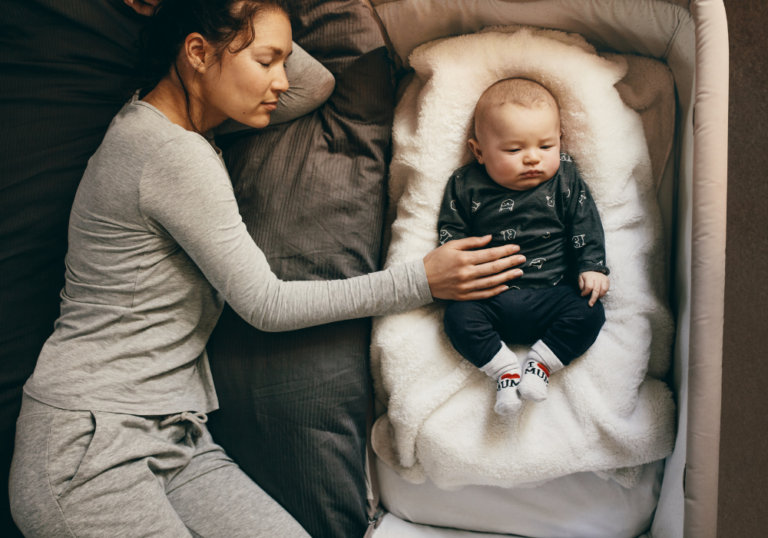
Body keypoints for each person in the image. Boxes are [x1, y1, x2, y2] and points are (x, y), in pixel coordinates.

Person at [8, 1, 526, 536]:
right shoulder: (168, 153)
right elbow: (266, 304)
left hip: (174, 437)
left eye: (281, 60)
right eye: (265, 61)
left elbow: (314, 84)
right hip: (90, 446)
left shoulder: (178, 123)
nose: (280, 81)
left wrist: (248, 26)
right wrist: (420, 280)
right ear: (195, 52)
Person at [439, 78, 611, 416]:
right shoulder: (465, 184)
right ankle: (503, 369)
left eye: (545, 147)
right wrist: (457, 275)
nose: (532, 159)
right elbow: (452, 232)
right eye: (514, 150)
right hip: (489, 295)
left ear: (559, 141)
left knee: (590, 311)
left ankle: (540, 365)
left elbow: (585, 222)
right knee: (457, 319)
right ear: (479, 152)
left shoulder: (566, 177)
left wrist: (592, 266)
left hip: (554, 293)